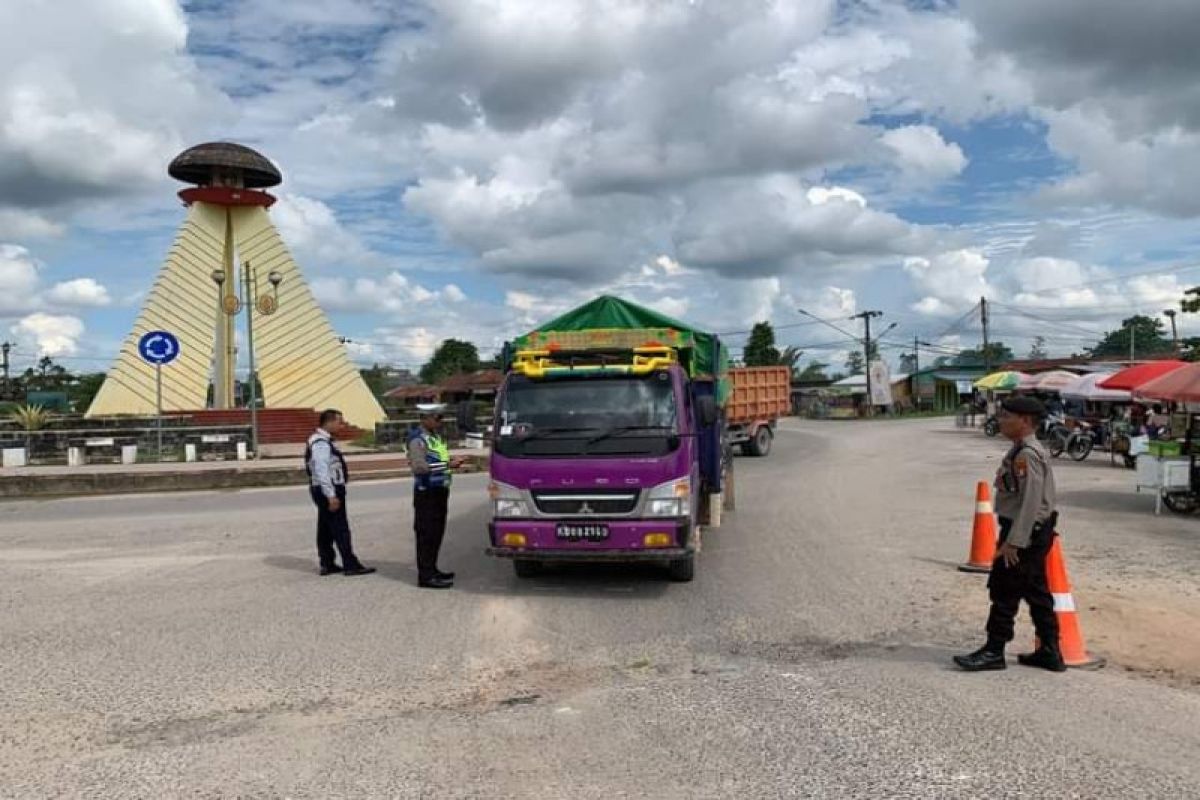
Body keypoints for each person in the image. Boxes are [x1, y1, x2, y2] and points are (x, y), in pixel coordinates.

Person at [955, 396, 1064, 673]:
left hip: (1023, 532)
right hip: (1032, 531)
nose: (1000, 421)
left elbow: (1031, 501)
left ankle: (994, 650)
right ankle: (1050, 651)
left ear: (1025, 421)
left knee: (1004, 588)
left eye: (1006, 416)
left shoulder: (1027, 454)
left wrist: (1015, 542)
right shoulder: (1021, 450)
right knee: (1036, 590)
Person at [306, 409, 375, 577]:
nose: (341, 425)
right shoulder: (321, 443)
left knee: (325, 528)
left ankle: (327, 562)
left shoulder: (322, 440)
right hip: (328, 488)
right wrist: (331, 495)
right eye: (339, 422)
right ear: (328, 422)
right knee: (340, 527)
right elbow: (322, 469)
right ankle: (350, 564)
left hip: (323, 487)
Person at [407, 404, 465, 589]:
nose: (440, 422)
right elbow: (418, 467)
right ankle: (425, 576)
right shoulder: (418, 439)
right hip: (427, 492)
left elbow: (438, 459)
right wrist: (449, 465)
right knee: (426, 534)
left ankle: (432, 569)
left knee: (436, 533)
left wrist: (449, 462)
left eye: (441, 418)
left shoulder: (435, 438)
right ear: (425, 418)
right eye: (437, 418)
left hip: (440, 490)